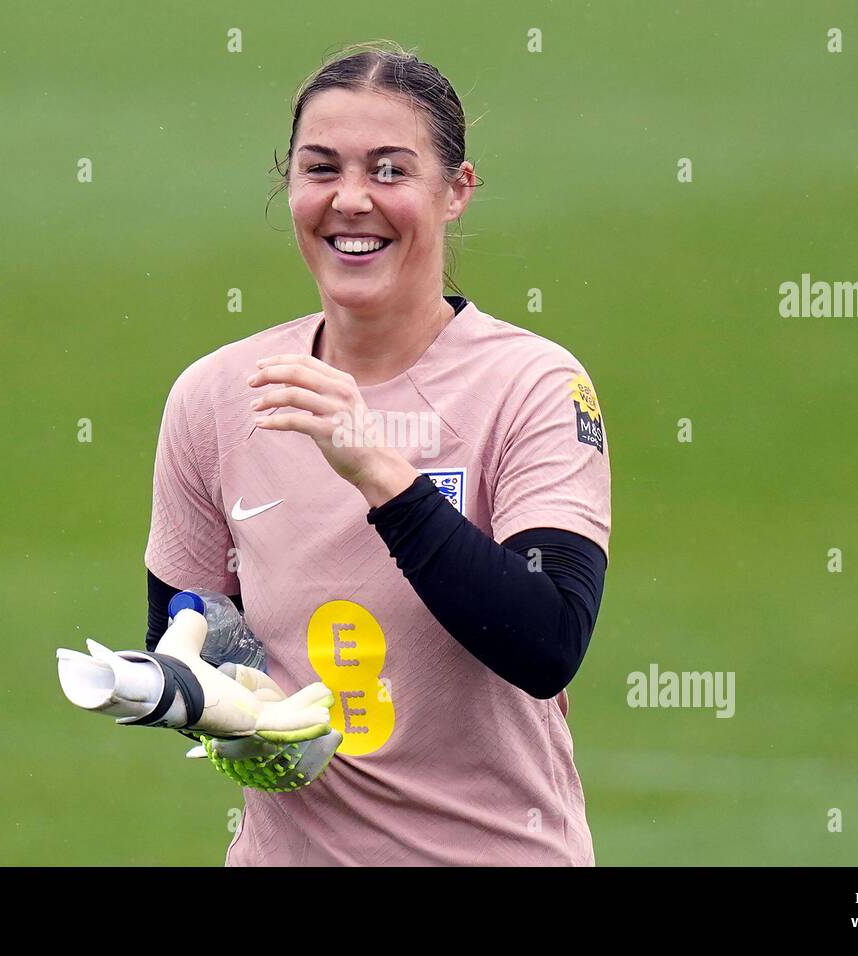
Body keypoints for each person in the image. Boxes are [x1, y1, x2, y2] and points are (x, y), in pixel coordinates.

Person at [144, 40, 612, 866]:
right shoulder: (218, 396)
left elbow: (546, 644)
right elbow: (189, 631)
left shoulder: (532, 385)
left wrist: (378, 471)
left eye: (390, 171)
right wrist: (223, 706)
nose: (351, 200)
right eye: (320, 169)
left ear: (456, 190)